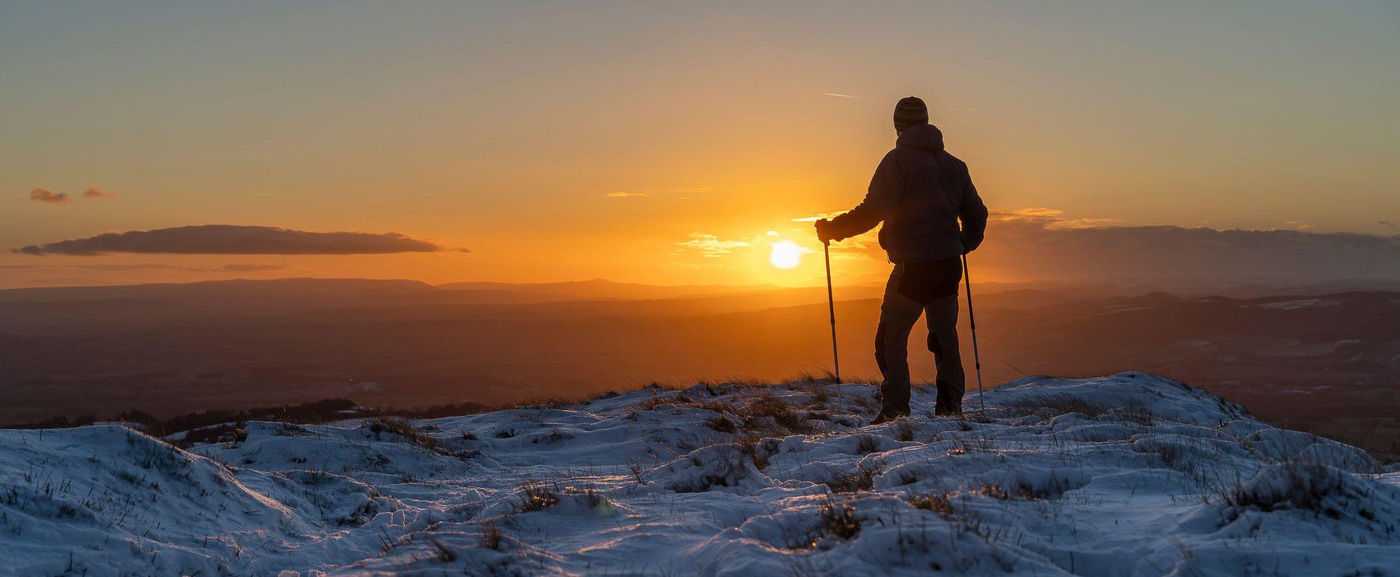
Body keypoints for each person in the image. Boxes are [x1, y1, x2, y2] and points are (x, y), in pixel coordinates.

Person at [816, 96, 988, 423]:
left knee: (890, 340)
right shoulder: (955, 165)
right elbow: (977, 215)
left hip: (912, 268)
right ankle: (950, 409)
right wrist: (962, 244)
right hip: (948, 265)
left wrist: (833, 230)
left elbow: (873, 210)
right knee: (944, 338)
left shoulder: (897, 162)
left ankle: (896, 410)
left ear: (898, 126)